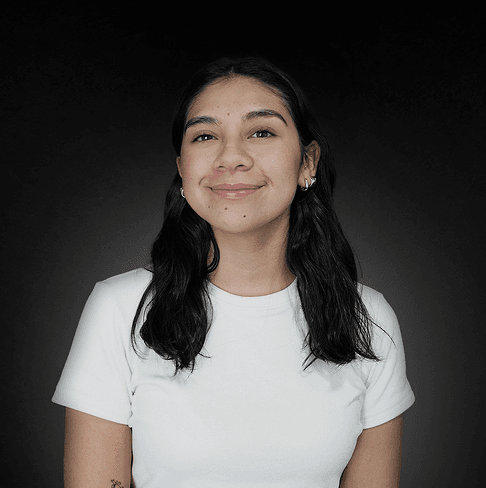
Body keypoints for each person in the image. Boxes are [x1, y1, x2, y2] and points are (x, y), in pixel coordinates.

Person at [52, 56, 415, 488]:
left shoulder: (367, 319)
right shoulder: (120, 308)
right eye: (205, 136)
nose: (231, 158)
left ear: (308, 162)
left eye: (261, 132)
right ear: (183, 169)